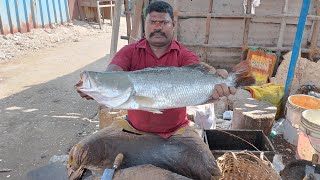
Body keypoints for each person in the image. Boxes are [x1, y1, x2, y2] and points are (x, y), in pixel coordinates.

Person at [77, 1, 236, 139]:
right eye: (152, 22)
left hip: (178, 130)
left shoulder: (184, 54)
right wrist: (97, 88)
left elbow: (200, 72)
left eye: (164, 22)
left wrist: (219, 82)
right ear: (145, 24)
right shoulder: (129, 51)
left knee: (204, 166)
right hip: (133, 129)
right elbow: (112, 73)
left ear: (173, 25)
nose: (157, 27)